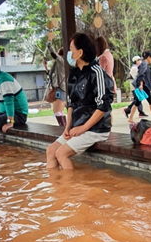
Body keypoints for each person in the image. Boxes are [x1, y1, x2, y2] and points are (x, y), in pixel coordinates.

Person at [46, 32, 115, 170]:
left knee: (61, 154)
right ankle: (55, 188)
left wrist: (83, 128)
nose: (69, 53)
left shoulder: (97, 73)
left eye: (71, 49)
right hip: (78, 127)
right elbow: (71, 104)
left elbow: (103, 105)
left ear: (80, 52)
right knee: (51, 151)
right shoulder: (74, 74)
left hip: (96, 129)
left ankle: (71, 189)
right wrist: (68, 127)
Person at [127, 50, 151, 123]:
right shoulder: (144, 64)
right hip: (144, 86)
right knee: (150, 101)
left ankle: (130, 118)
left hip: (144, 85)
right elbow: (141, 75)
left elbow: (146, 77)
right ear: (149, 57)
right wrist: (141, 85)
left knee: (137, 102)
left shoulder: (144, 64)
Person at [42, 42, 67, 126]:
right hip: (59, 88)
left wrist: (49, 45)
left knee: (58, 111)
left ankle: (63, 128)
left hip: (60, 88)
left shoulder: (61, 61)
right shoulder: (58, 64)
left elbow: (53, 54)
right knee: (59, 111)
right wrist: (46, 67)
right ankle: (64, 128)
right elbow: (52, 75)